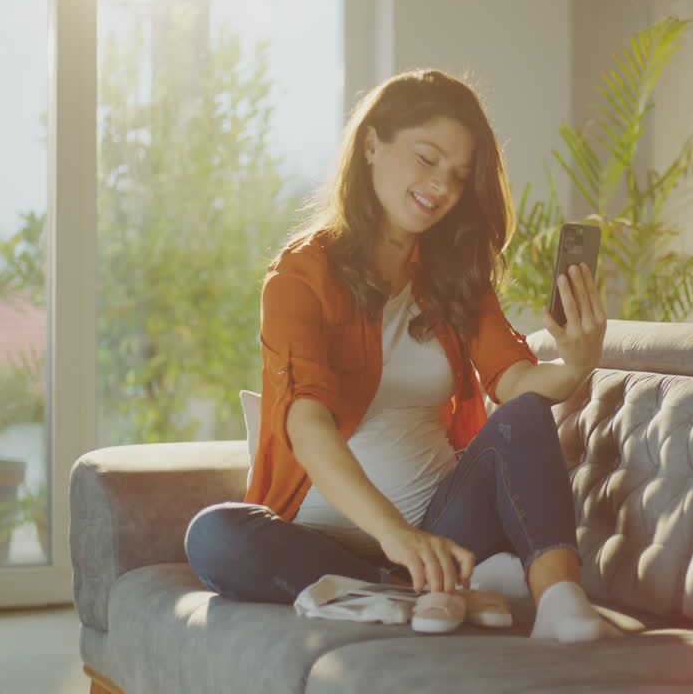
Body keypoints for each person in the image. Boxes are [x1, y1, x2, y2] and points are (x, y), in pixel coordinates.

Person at [185, 68, 617, 643]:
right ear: (371, 143)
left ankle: (561, 601)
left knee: (527, 414)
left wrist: (576, 363)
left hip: (446, 531)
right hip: (325, 543)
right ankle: (416, 590)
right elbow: (306, 423)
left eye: (459, 175)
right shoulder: (299, 277)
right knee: (216, 536)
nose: (442, 185)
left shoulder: (453, 272)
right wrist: (395, 537)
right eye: (427, 158)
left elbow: (514, 381)